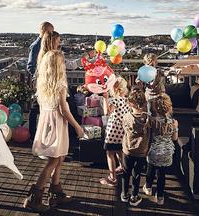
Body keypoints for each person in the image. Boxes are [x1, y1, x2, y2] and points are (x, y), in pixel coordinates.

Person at [23, 50, 85, 212]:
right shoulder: (60, 85)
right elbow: (64, 110)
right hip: (57, 123)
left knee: (60, 156)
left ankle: (56, 192)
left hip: (47, 122)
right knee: (53, 160)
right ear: (58, 66)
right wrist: (77, 127)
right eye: (62, 62)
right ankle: (34, 198)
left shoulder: (42, 83)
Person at [142, 93, 178, 205]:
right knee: (161, 174)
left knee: (151, 168)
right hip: (167, 153)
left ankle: (148, 187)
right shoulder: (174, 122)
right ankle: (160, 196)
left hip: (153, 151)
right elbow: (175, 138)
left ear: (155, 108)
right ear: (169, 107)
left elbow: (146, 134)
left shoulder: (152, 121)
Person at [121, 85, 150, 206]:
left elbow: (124, 130)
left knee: (125, 171)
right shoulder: (148, 119)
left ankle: (124, 193)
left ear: (130, 103)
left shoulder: (127, 117)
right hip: (142, 151)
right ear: (144, 103)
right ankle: (134, 195)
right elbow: (150, 134)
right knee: (137, 174)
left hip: (127, 150)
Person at [100, 76, 130, 187]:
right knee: (119, 150)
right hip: (122, 131)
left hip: (113, 132)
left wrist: (105, 98)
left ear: (114, 89)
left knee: (110, 153)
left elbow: (106, 112)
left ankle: (112, 178)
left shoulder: (114, 100)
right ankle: (122, 167)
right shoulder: (126, 100)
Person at [27, 22, 54, 141]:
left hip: (45, 82)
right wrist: (42, 76)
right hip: (40, 82)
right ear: (44, 31)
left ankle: (39, 134)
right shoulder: (36, 45)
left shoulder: (45, 44)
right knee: (35, 108)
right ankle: (33, 135)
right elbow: (31, 66)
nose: (52, 34)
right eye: (50, 32)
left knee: (41, 108)